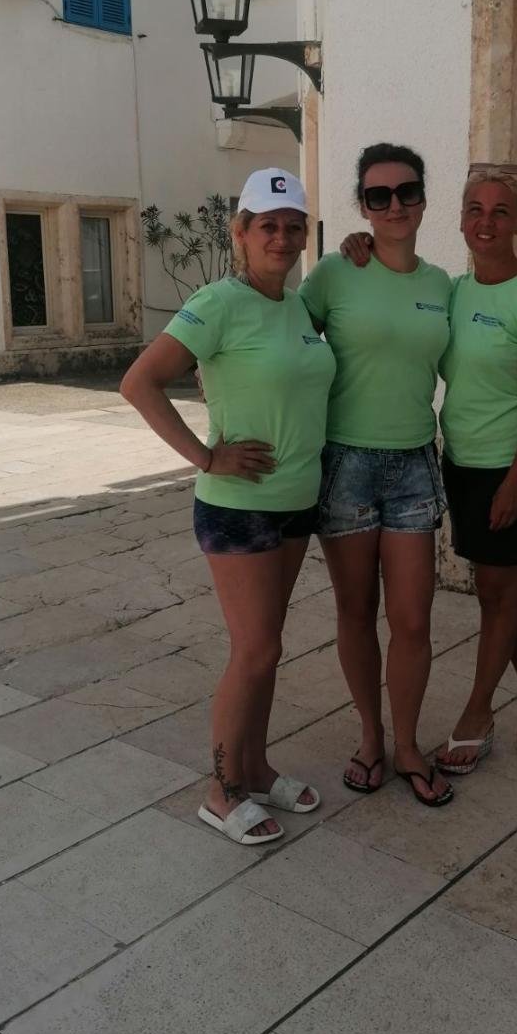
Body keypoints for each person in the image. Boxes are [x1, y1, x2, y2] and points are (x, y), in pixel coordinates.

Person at [120, 168, 335, 845]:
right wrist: (206, 456)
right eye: (267, 225)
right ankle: (221, 791)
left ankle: (257, 768)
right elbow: (139, 382)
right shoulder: (216, 302)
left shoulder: (298, 307)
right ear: (239, 232)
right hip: (239, 507)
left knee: (268, 649)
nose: (282, 238)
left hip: (296, 502)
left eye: (293, 226)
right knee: (255, 649)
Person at [340, 164, 517, 772]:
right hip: (459, 464)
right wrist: (359, 246)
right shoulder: (454, 290)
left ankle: (477, 714)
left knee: (498, 593)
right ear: (460, 219)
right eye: (474, 210)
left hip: (509, 468)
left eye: (500, 212)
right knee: (503, 589)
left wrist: (516, 481)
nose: (486, 223)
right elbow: (398, 293)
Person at [299, 143, 453, 806]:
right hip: (347, 465)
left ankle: (409, 744)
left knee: (413, 620)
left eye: (406, 192)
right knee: (357, 612)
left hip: (415, 463)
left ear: (423, 199)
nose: (394, 206)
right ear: (361, 206)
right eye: (378, 196)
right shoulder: (334, 274)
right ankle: (371, 736)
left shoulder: (442, 286)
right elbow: (283, 340)